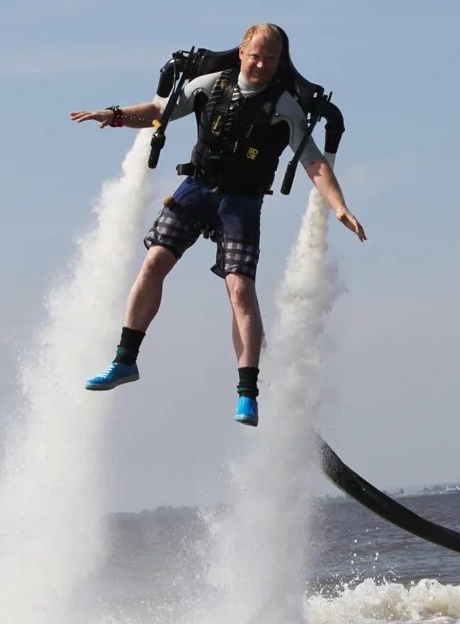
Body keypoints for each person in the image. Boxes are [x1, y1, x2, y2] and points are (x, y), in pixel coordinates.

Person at [69, 24, 366, 427]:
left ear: (280, 61)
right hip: (196, 189)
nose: (261, 64)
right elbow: (159, 112)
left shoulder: (284, 106)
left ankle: (247, 393)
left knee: (240, 290)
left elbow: (314, 162)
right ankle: (124, 360)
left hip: (240, 203)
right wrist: (116, 115)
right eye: (256, 55)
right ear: (242, 51)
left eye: (271, 59)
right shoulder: (212, 84)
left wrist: (340, 206)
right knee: (154, 261)